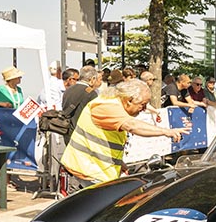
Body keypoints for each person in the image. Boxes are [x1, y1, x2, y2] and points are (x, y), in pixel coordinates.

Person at [60, 79, 191, 187]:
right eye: (143, 104)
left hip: (95, 169)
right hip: (88, 169)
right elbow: (132, 126)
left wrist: (119, 162)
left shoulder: (113, 104)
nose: (144, 109)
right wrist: (166, 131)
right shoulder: (107, 106)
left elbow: (105, 139)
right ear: (129, 100)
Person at [60, 65, 100, 144]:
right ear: (92, 79)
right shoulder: (91, 93)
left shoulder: (67, 91)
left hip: (68, 132)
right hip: (83, 135)